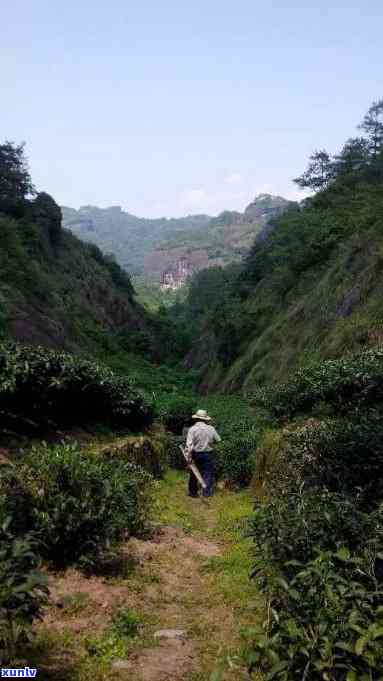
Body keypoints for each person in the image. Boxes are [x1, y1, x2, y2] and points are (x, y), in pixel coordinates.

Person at [185, 409, 221, 498]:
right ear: (205, 419)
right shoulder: (211, 429)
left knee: (194, 473)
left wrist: (188, 457)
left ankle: (193, 492)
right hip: (208, 454)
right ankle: (206, 493)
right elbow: (218, 440)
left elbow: (189, 445)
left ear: (196, 419)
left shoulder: (192, 429)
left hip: (195, 454)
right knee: (207, 473)